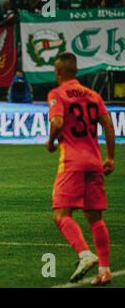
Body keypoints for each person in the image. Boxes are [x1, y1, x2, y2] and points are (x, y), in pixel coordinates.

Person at [45, 52, 115, 286]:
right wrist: (111, 157)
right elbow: (108, 123)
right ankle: (105, 270)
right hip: (95, 162)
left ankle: (85, 254)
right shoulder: (93, 95)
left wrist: (52, 141)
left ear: (58, 72)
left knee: (61, 214)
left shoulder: (57, 93)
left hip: (72, 162)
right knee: (95, 217)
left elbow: (57, 122)